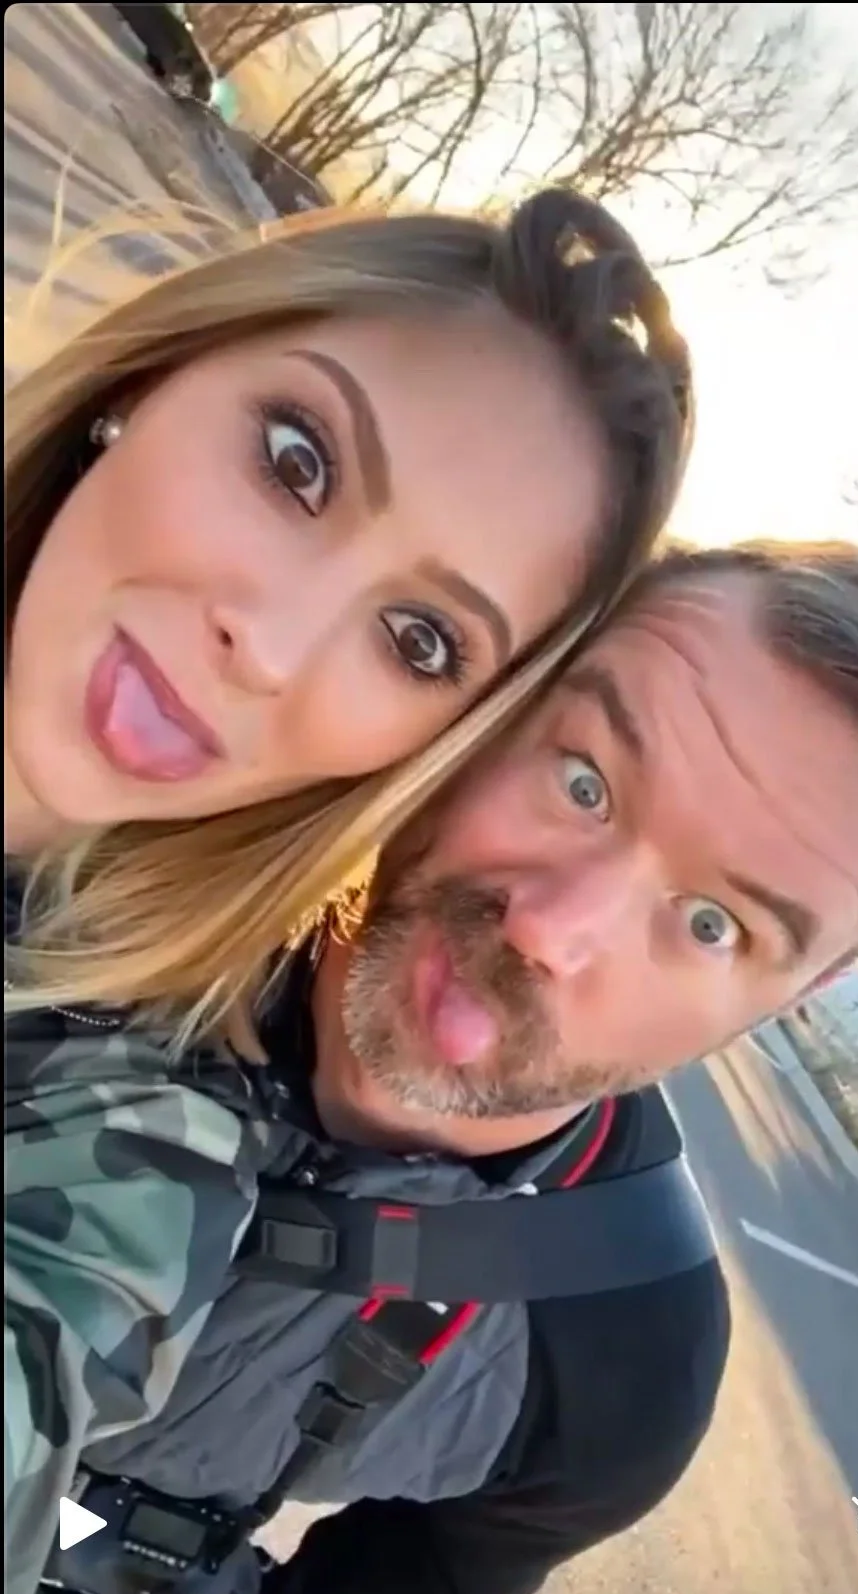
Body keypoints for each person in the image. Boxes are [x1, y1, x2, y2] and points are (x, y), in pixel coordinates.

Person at [6, 539, 858, 1594]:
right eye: (586, 779)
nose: (554, 929)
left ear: (796, 995)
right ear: (502, 702)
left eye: (712, 924)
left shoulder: (623, 1355)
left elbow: (416, 1583)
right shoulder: (93, 866)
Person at [5, 188, 692, 1050]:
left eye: (419, 641)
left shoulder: (121, 1120)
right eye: (297, 465)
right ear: (153, 376)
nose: (270, 651)